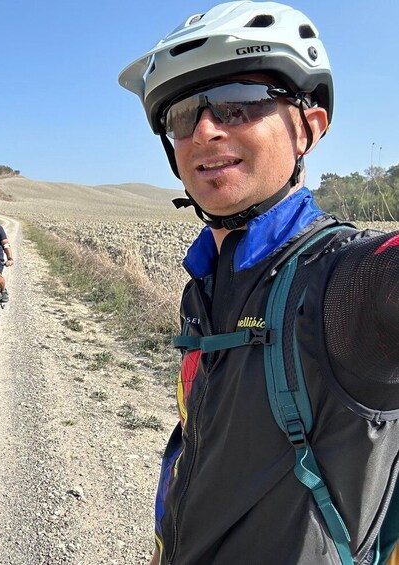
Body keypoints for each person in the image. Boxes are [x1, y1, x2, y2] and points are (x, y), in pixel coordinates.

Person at [119, 2, 399, 563]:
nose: (203, 129)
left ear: (308, 127)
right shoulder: (204, 283)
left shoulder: (347, 281)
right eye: (181, 116)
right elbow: (196, 451)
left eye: (239, 103)